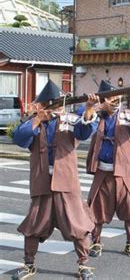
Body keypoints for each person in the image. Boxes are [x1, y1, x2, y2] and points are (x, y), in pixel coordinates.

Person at [11, 80, 96, 279]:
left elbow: (84, 131)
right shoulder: (34, 121)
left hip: (66, 183)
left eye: (56, 104)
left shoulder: (70, 120)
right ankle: (29, 264)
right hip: (42, 181)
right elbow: (19, 138)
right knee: (34, 225)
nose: (53, 108)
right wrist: (37, 120)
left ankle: (83, 265)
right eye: (48, 104)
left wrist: (90, 109)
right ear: (41, 105)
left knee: (78, 224)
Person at [77, 80, 130, 258]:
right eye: (109, 98)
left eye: (116, 97)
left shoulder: (128, 116)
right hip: (102, 171)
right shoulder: (96, 115)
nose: (113, 101)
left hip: (124, 172)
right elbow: (81, 120)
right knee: (96, 210)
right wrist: (95, 107)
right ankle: (96, 243)